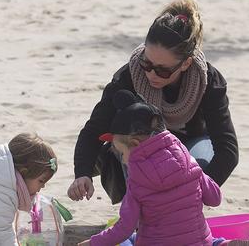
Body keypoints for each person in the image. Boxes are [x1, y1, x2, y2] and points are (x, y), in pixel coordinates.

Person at [68, 0, 238, 206]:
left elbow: (227, 149)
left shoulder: (208, 82)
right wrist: (82, 173)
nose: (151, 73)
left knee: (199, 162)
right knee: (134, 145)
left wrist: (195, 196)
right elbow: (94, 130)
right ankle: (141, 209)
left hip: (191, 145)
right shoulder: (129, 76)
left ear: (185, 64)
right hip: (144, 149)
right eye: (146, 63)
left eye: (163, 69)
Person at [77, 90, 227, 246]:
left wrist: (93, 243)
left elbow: (125, 228)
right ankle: (222, 244)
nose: (123, 159)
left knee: (126, 240)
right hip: (199, 243)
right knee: (212, 240)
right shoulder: (190, 163)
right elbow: (215, 199)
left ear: (135, 144)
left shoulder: (137, 181)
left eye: (122, 153)